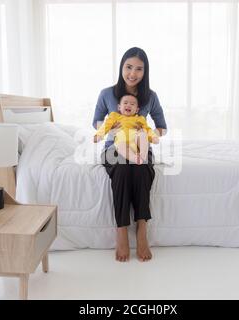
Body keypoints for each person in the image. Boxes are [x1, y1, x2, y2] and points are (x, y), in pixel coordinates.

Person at [92, 47, 167, 262]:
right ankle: (122, 230)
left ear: (145, 72)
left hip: (140, 149)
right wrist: (112, 127)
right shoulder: (107, 93)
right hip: (113, 147)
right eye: (128, 67)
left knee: (142, 169)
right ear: (121, 67)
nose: (132, 73)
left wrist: (148, 132)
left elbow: (162, 127)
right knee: (123, 170)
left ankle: (142, 229)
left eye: (139, 69)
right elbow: (95, 122)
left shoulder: (150, 97)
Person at [93, 94, 159, 165]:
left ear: (137, 110)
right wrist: (99, 135)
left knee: (143, 135)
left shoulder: (139, 118)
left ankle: (142, 155)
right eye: (125, 103)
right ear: (119, 107)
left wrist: (153, 137)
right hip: (122, 143)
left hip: (136, 144)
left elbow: (148, 129)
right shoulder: (115, 116)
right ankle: (135, 158)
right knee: (120, 146)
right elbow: (106, 126)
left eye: (132, 104)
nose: (128, 105)